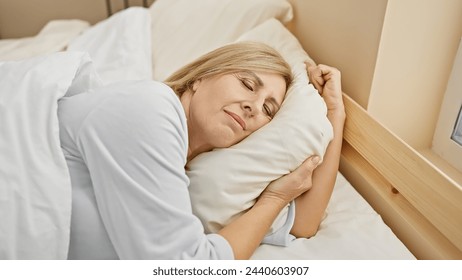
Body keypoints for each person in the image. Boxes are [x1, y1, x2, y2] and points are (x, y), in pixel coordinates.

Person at [58, 41, 344, 260]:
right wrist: (273, 199)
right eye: (247, 84)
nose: (254, 107)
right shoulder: (152, 108)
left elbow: (304, 223)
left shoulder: (200, 172)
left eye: (268, 109)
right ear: (201, 77)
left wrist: (335, 113)